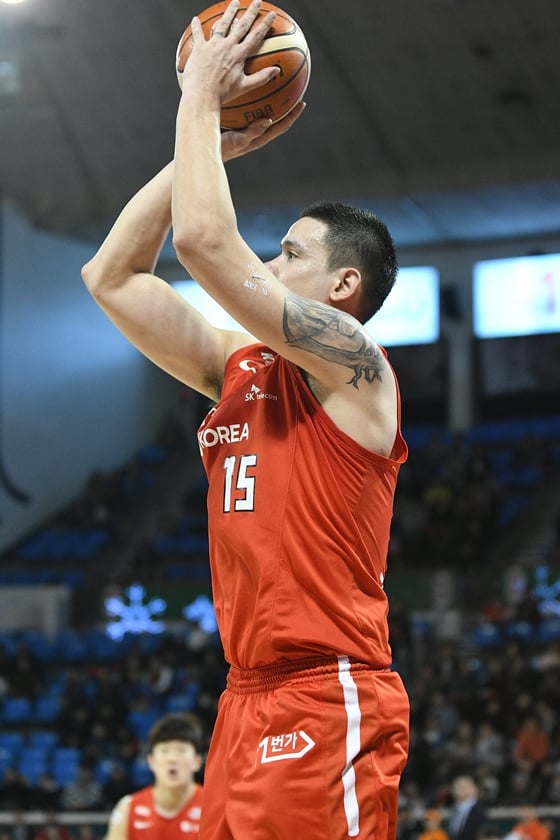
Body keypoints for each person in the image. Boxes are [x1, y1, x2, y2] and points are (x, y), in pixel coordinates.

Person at [82, 1, 410, 837]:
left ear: (343, 287)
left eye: (291, 253)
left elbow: (203, 241)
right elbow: (112, 277)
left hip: (326, 690)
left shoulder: (354, 364)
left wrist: (201, 96)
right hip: (243, 694)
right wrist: (207, 149)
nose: (268, 262)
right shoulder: (237, 363)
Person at [104, 713, 204, 840]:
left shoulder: (213, 807)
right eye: (164, 751)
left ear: (197, 761)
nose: (172, 759)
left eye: (181, 750)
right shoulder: (128, 808)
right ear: (151, 762)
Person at [448, 776, 488, 840]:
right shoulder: (455, 809)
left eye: (463, 787)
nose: (459, 790)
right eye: (456, 787)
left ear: (473, 789)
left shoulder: (479, 810)